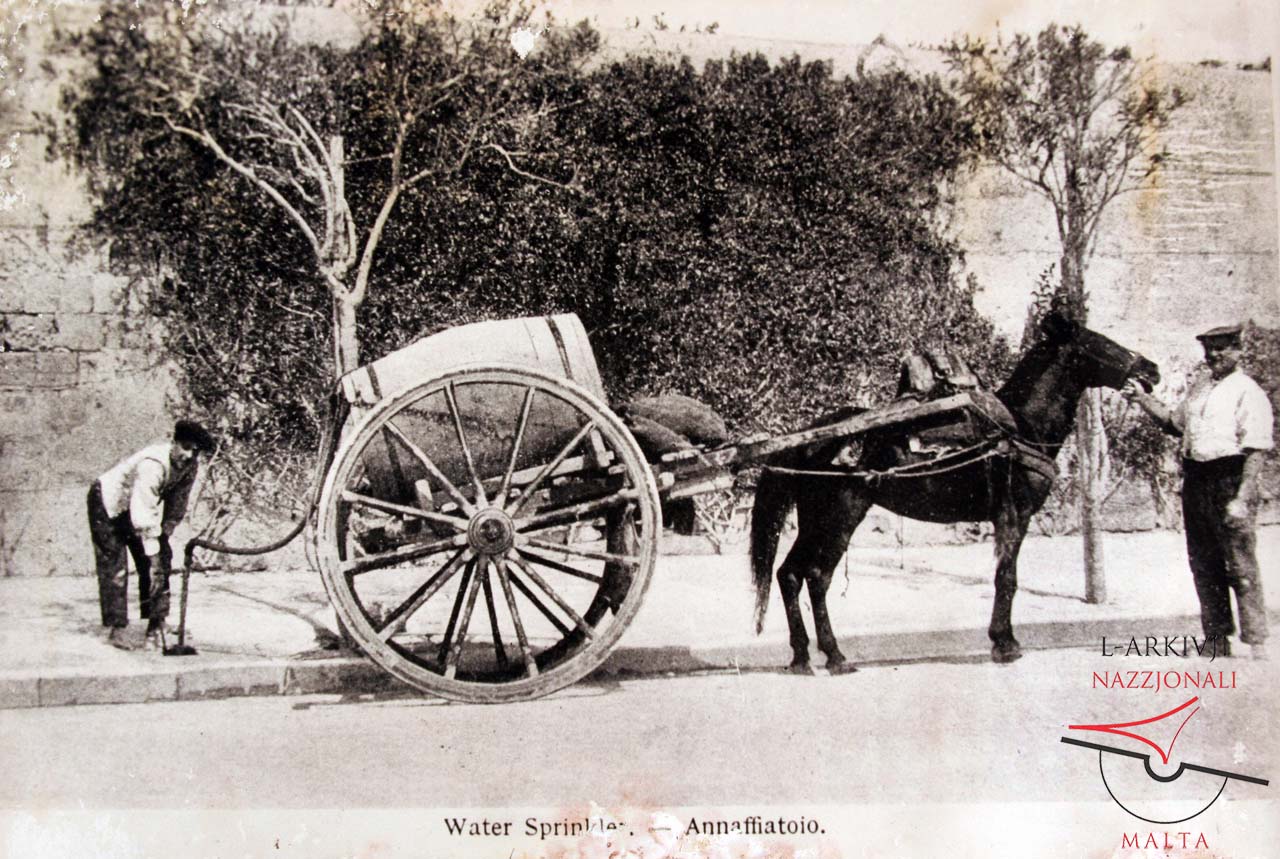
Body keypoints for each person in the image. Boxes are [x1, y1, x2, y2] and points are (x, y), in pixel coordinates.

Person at [1126, 324, 1273, 660]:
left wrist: (1241, 497)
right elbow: (1173, 424)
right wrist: (1142, 398)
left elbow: (1256, 450)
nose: (1214, 355)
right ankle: (1218, 639)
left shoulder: (1247, 391)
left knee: (1240, 562)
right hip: (1197, 480)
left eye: (1221, 348)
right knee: (1203, 563)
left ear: (1238, 350)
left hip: (1230, 479)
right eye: (1209, 349)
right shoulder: (1199, 388)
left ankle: (1257, 642)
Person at [87, 419, 216, 650]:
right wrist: (153, 550)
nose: (188, 455)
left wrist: (164, 535)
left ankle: (156, 624)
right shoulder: (153, 464)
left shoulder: (189, 467)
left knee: (160, 559)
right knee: (116, 565)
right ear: (174, 443)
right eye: (185, 447)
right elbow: (143, 510)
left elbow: (177, 504)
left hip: (135, 507)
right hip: (107, 502)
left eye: (195, 451)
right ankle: (116, 630)